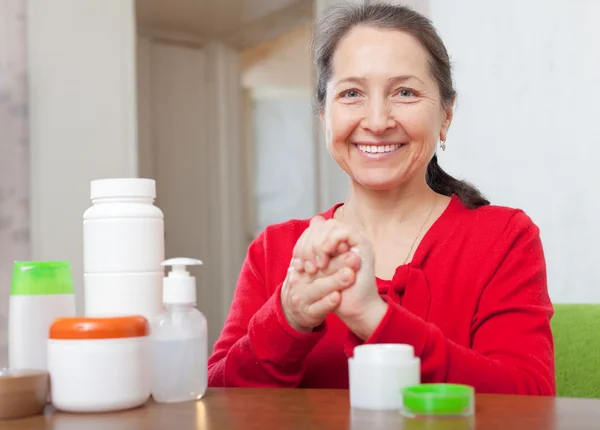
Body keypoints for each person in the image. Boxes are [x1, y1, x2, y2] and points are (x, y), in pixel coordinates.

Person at [208, 2, 555, 395]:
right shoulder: (274, 252)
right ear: (324, 115)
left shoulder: (503, 239)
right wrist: (287, 317)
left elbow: (530, 402)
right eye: (352, 93)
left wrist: (374, 317)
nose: (376, 121)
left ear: (446, 114)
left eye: (404, 92)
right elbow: (217, 399)